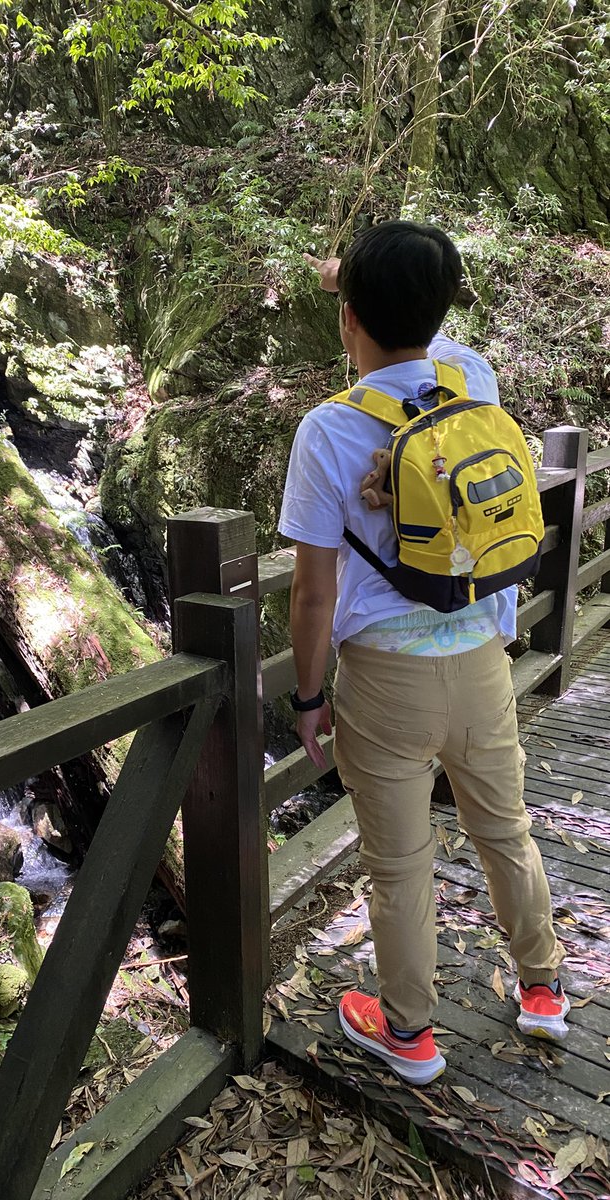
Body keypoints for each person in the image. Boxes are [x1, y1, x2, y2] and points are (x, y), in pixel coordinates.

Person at [278, 220, 567, 1086]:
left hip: (387, 682)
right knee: (504, 829)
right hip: (482, 661)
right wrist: (364, 282)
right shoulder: (470, 380)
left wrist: (306, 697)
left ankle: (409, 1035)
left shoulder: (328, 431)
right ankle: (544, 989)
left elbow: (312, 595)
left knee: (399, 865)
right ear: (439, 313)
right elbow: (417, 318)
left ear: (348, 318)